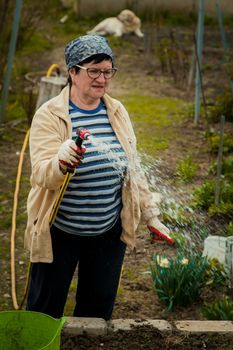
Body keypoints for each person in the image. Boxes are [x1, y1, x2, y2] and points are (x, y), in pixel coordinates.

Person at [25, 34, 172, 321]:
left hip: (107, 234)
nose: (102, 79)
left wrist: (151, 215)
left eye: (107, 71)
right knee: (44, 310)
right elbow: (42, 175)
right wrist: (61, 160)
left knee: (96, 311)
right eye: (93, 71)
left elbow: (132, 168)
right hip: (59, 232)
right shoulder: (50, 115)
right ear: (73, 72)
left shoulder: (116, 111)